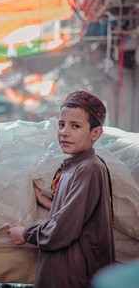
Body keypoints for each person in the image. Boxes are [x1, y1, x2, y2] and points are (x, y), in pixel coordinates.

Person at [8, 90, 116, 288]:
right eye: (61, 124)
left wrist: (25, 233)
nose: (64, 132)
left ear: (95, 133)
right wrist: (46, 202)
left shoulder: (89, 168)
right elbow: (77, 214)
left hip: (71, 276)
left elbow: (62, 231)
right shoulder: (74, 166)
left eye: (75, 126)